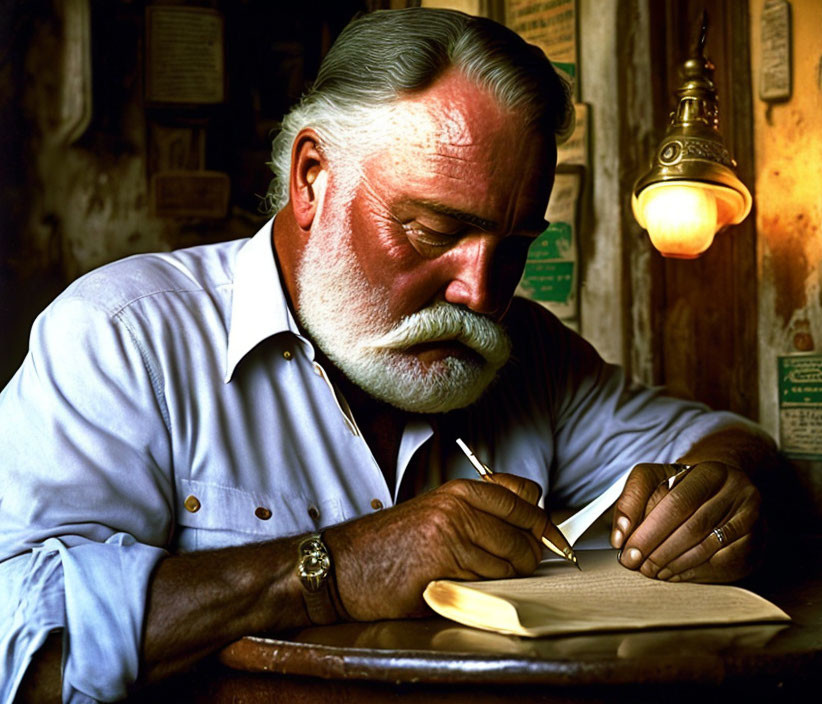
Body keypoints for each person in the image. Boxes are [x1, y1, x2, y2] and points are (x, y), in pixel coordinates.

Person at [0, 8, 776, 703]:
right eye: (434, 231)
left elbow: (725, 442)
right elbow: (17, 646)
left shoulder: (532, 356)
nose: (478, 292)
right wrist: (332, 570)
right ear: (312, 178)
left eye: (512, 248)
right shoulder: (124, 335)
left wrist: (718, 491)